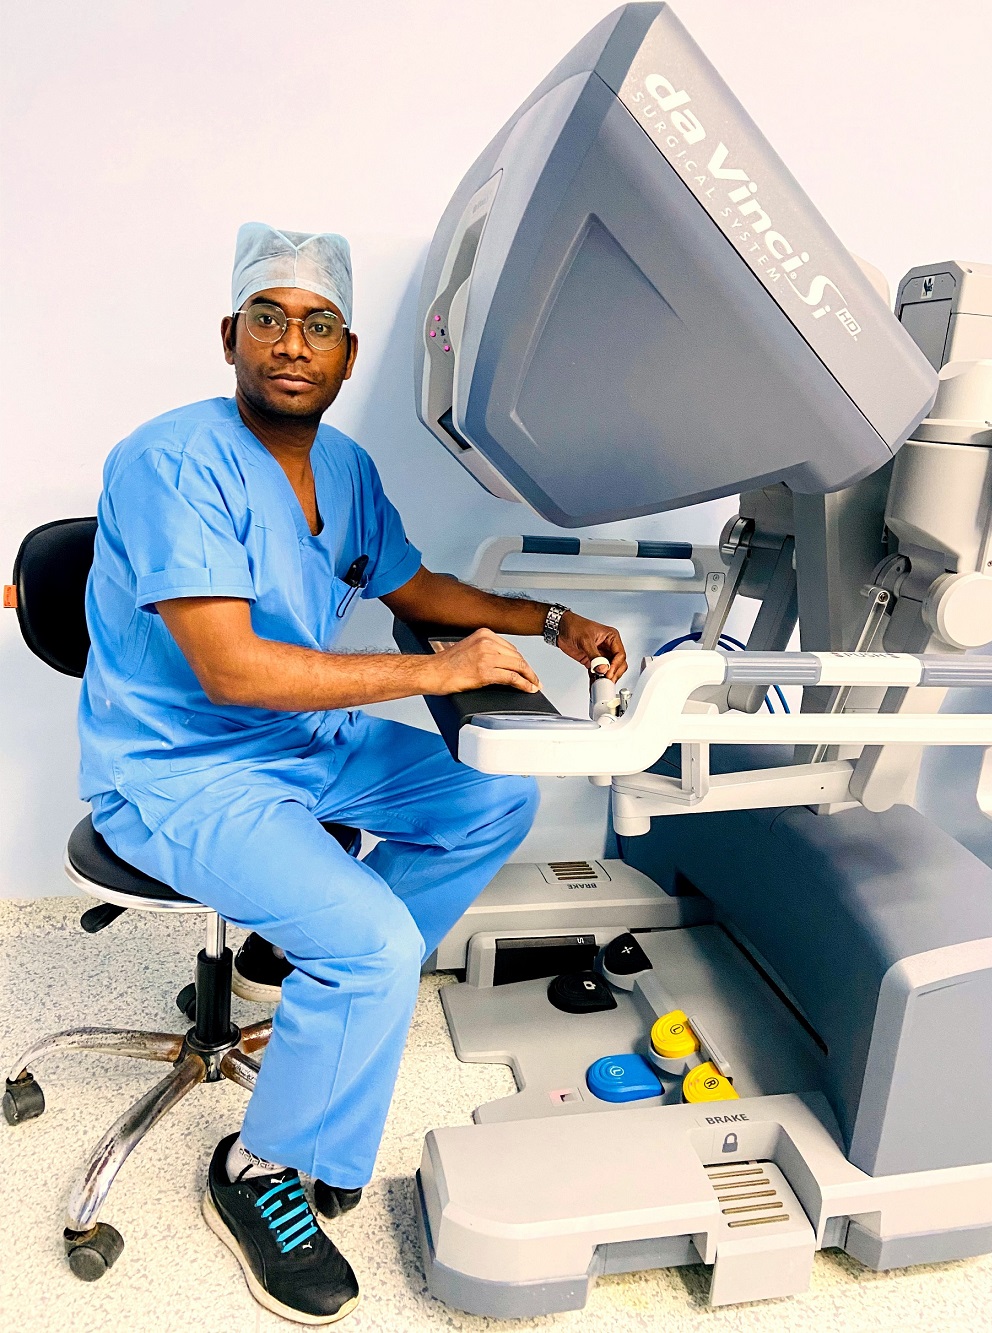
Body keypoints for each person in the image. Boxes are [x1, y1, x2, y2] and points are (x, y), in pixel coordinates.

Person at [78, 222, 627, 1324]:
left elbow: (414, 588)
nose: (294, 343)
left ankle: (319, 984)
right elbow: (232, 670)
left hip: (300, 743)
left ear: (347, 352)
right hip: (180, 771)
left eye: (318, 324)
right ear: (230, 337)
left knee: (493, 794)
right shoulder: (168, 462)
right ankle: (258, 1167)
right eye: (270, 319)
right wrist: (436, 670)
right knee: (373, 944)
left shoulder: (343, 469)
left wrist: (548, 618)